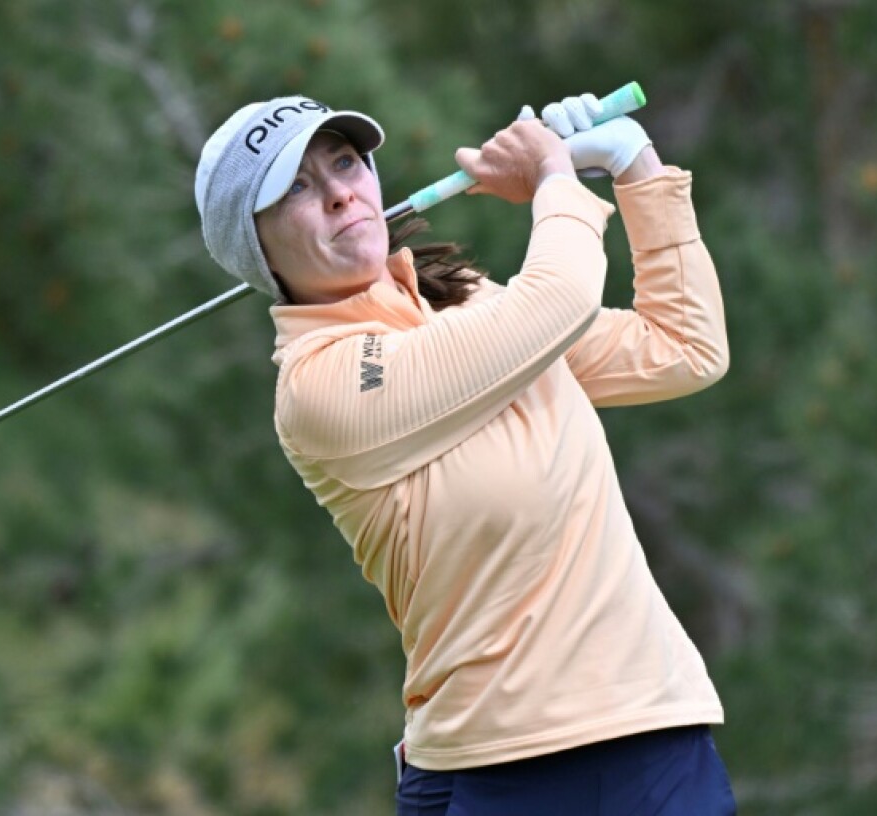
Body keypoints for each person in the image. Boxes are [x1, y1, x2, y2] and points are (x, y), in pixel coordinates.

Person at [194, 90, 737, 815]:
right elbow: (559, 299)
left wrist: (632, 160)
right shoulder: (320, 387)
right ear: (254, 243)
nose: (337, 195)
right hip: (510, 764)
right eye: (296, 187)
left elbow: (682, 349)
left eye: (346, 163)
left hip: (655, 727)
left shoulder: (467, 301)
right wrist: (553, 178)